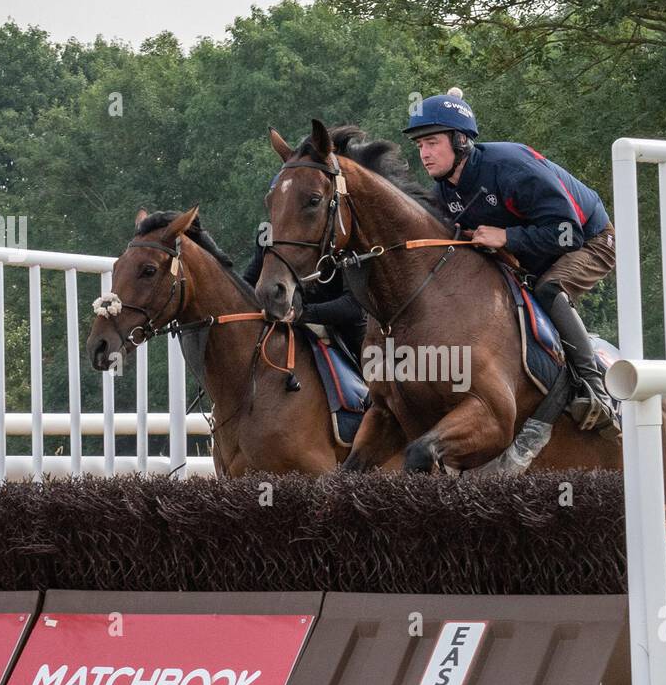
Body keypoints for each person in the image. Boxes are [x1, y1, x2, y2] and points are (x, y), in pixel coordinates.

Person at [403, 89, 619, 434]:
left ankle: (595, 389)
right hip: (536, 250)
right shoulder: (445, 190)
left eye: (431, 143)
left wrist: (506, 237)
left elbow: (568, 234)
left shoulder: (511, 168)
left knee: (549, 289)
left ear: (460, 141)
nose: (424, 155)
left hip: (592, 239)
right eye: (419, 146)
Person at [241, 237, 367, 370]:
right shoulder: (269, 232)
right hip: (300, 324)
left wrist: (300, 314)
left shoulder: (347, 235)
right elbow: (248, 282)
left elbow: (355, 307)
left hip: (355, 336)